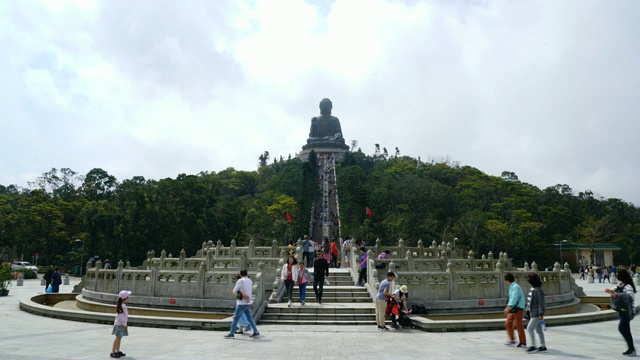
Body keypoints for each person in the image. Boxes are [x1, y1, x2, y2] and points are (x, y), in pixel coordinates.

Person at [606, 269, 637, 356]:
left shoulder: (628, 286)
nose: (617, 276)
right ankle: (631, 349)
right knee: (626, 330)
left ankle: (632, 349)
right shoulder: (620, 285)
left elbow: (629, 296)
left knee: (622, 328)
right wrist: (609, 291)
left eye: (618, 274)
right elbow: (614, 291)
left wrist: (617, 295)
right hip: (622, 311)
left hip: (627, 311)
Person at [224, 270, 260, 339]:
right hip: (248, 301)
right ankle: (256, 331)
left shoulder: (240, 281)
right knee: (249, 318)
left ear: (240, 274)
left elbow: (234, 291)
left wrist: (232, 292)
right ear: (247, 274)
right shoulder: (250, 280)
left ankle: (231, 333)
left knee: (235, 318)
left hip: (241, 303)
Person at [525, 273, 547, 353]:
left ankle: (533, 345)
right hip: (532, 313)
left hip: (536, 314)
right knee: (539, 330)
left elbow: (541, 303)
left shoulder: (538, 290)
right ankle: (543, 346)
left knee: (529, 328)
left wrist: (541, 313)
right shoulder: (533, 289)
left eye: (529, 278)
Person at [503, 273, 527, 348]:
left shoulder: (515, 287)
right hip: (513, 309)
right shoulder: (512, 286)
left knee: (519, 325)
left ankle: (523, 342)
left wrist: (508, 307)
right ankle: (512, 339)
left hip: (518, 308)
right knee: (508, 323)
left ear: (507, 280)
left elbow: (514, 298)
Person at [110, 290, 131, 358]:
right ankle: (113, 351)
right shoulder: (122, 306)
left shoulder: (122, 305)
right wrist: (125, 324)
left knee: (119, 338)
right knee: (117, 338)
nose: (128, 298)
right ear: (125, 298)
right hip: (120, 324)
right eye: (127, 297)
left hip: (120, 324)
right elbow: (121, 317)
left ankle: (117, 351)